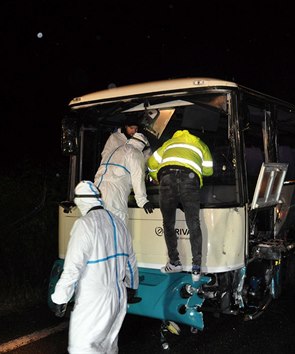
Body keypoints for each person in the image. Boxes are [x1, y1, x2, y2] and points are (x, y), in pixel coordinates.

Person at [51, 180, 139, 354]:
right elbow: (131, 260)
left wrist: (61, 297)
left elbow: (72, 268)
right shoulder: (118, 223)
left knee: (83, 348)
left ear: (81, 202)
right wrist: (132, 286)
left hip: (95, 299)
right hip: (118, 297)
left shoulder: (85, 225)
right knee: (108, 347)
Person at [147, 130, 213, 282]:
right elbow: (209, 170)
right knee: (193, 223)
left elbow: (151, 163)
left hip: (167, 179)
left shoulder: (169, 143)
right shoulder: (201, 144)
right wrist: (195, 169)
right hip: (190, 180)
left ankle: (174, 262)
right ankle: (196, 267)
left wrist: (154, 176)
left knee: (168, 223)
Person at [94, 132, 154, 225]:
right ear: (143, 146)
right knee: (118, 227)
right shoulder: (135, 152)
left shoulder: (115, 149)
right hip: (114, 193)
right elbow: (137, 178)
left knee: (98, 227)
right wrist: (143, 201)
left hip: (96, 190)